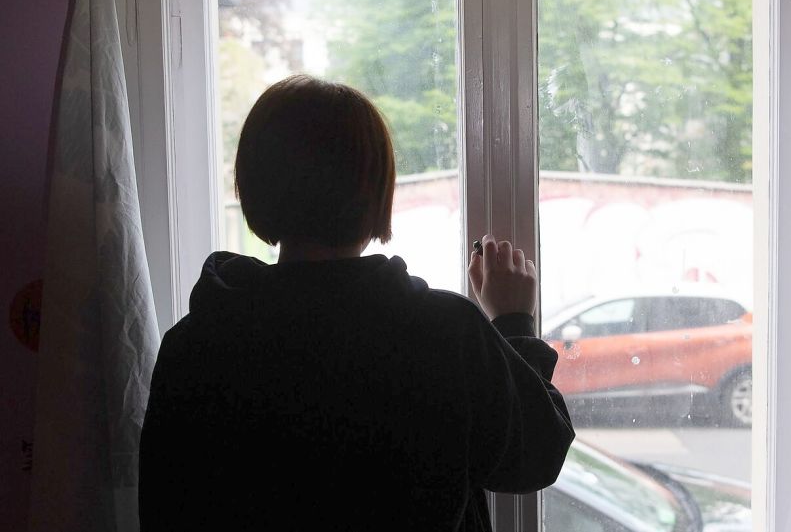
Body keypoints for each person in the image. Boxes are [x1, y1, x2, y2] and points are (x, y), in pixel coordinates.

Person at [138, 75, 575, 531]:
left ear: (252, 185)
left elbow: (164, 512)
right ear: (375, 192)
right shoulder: (442, 332)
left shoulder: (194, 346)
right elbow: (535, 456)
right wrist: (513, 322)